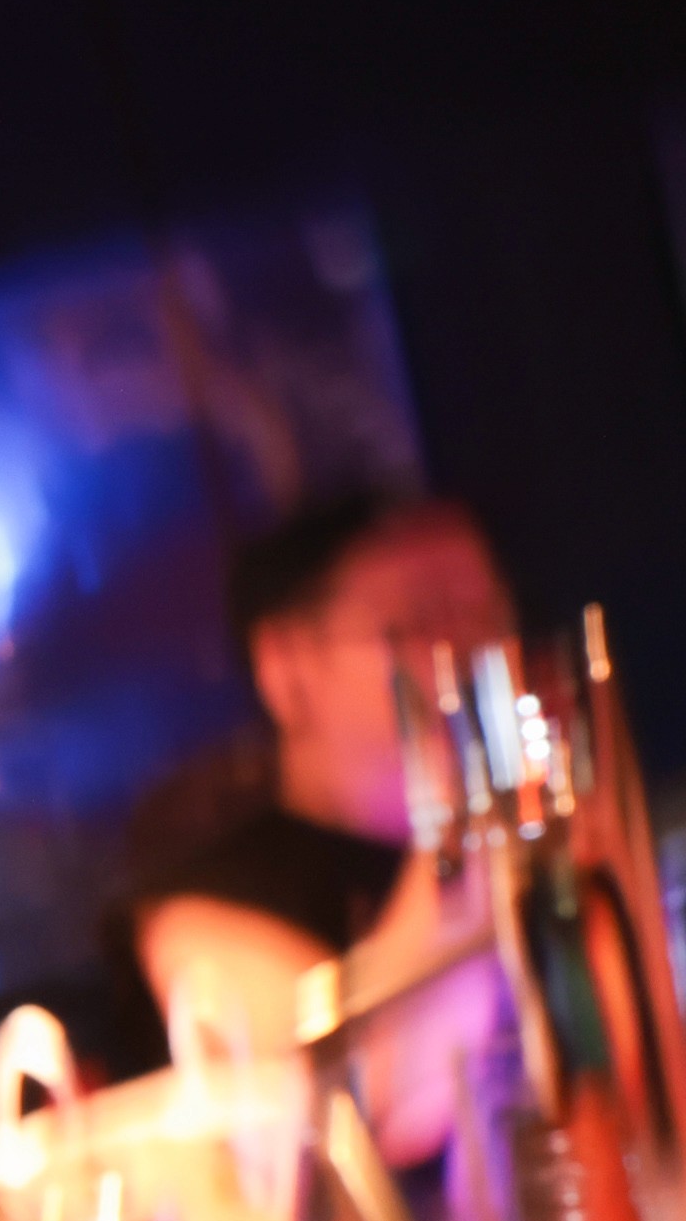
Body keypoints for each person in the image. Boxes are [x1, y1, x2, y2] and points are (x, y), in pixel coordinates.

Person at [130, 490, 515, 1163]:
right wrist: (466, 816)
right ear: (285, 667)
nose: (470, 654)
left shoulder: (532, 837)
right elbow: (356, 1120)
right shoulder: (199, 917)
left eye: (486, 616)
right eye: (421, 621)